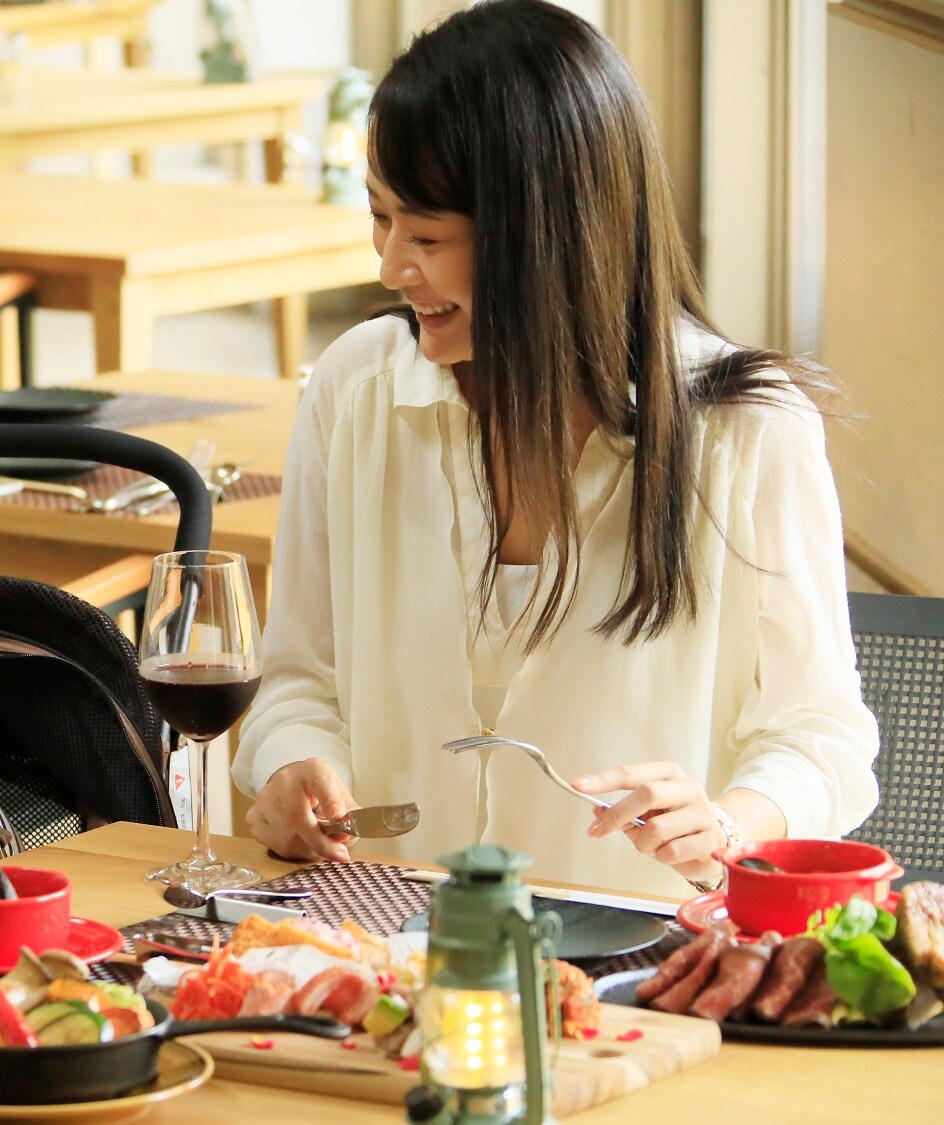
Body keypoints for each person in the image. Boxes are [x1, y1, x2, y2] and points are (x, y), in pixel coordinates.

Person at [232, 0, 879, 899]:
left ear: (546, 237)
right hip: (387, 949)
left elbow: (824, 736)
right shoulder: (357, 387)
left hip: (639, 971)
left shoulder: (749, 428)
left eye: (425, 235)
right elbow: (298, 680)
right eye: (380, 220)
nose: (388, 267)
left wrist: (730, 819)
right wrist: (292, 761)